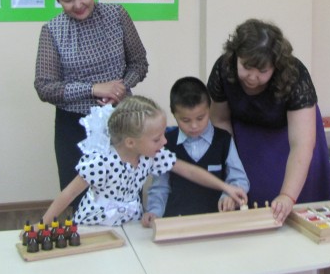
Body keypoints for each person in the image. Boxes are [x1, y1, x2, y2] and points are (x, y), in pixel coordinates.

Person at [34, 0, 149, 206]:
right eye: (68, 0)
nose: (78, 4)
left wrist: (120, 88)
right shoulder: (53, 31)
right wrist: (93, 89)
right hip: (74, 128)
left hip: (120, 120)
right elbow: (44, 87)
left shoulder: (116, 15)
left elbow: (139, 63)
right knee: (80, 200)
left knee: (126, 196)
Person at [42, 95, 248, 226]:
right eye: (157, 139)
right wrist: (42, 225)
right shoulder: (101, 162)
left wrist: (226, 187)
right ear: (131, 142)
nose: (165, 141)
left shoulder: (152, 156)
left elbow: (190, 171)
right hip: (96, 226)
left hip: (130, 223)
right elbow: (69, 194)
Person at [208, 19, 330, 225]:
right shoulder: (224, 68)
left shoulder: (294, 75)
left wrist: (287, 195)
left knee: (292, 206)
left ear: (276, 66)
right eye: (246, 67)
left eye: (262, 71)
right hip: (245, 137)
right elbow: (220, 121)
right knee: (251, 199)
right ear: (236, 55)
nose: (252, 77)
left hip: (288, 137)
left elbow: (302, 144)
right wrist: (231, 170)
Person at [143, 76, 250, 226]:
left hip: (217, 222)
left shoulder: (223, 140)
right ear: (174, 114)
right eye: (185, 120)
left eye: (200, 118)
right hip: (176, 223)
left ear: (209, 109)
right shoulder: (165, 143)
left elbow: (239, 179)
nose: (194, 126)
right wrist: (154, 212)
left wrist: (229, 195)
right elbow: (160, 187)